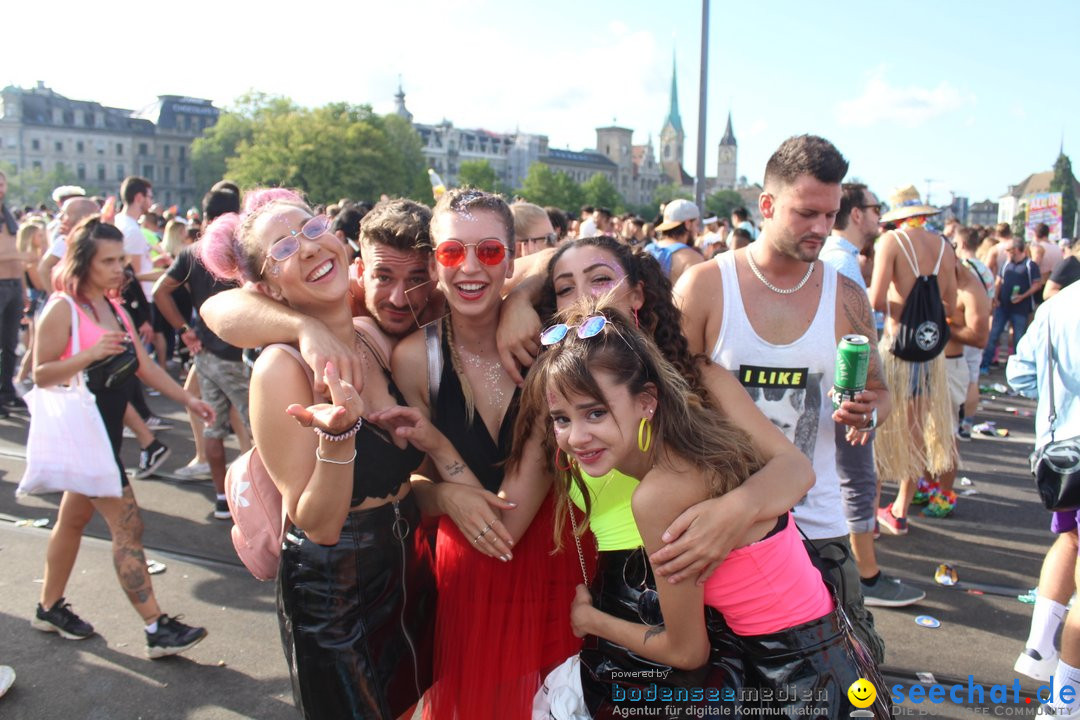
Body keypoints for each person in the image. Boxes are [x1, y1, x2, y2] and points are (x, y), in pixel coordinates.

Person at [521, 299, 888, 719]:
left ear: (646, 401)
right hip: (828, 660)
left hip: (794, 681)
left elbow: (686, 651)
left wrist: (590, 620)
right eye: (561, 419)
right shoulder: (695, 445)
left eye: (595, 413)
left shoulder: (658, 494)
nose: (577, 436)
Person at [200, 188, 436, 719]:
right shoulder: (280, 369)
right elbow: (318, 524)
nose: (306, 248)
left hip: (406, 571)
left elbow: (409, 465)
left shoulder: (372, 335)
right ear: (265, 288)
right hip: (335, 594)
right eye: (282, 249)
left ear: (338, 238)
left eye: (309, 229)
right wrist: (339, 438)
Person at [673, 134, 891, 663]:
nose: (820, 227)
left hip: (817, 522)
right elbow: (667, 398)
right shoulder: (706, 286)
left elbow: (879, 390)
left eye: (831, 215)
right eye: (806, 213)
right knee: (728, 678)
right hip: (722, 520)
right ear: (767, 205)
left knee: (844, 672)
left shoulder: (845, 296)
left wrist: (869, 411)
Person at [389, 188, 582, 719]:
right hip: (468, 577)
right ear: (434, 262)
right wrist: (447, 494)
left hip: (555, 563)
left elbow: (510, 522)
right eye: (452, 252)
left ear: (512, 258)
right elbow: (411, 486)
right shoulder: (414, 359)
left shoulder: (552, 342)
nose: (470, 267)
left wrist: (521, 299)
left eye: (490, 252)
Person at [31, 216, 212, 658]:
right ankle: (155, 628)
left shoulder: (111, 306)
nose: (119, 269)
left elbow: (145, 367)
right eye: (107, 261)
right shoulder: (62, 308)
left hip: (104, 433)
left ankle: (49, 606)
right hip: (86, 437)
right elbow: (40, 372)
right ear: (83, 262)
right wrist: (89, 354)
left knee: (72, 521)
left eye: (120, 260)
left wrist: (188, 401)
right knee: (128, 525)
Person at [820, 183, 924, 607]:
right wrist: (858, 396)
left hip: (840, 387)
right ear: (857, 214)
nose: (880, 216)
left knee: (849, 479)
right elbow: (847, 341)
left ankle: (854, 572)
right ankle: (864, 576)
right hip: (845, 389)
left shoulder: (839, 259)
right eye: (875, 208)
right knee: (858, 479)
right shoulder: (841, 262)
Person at [1007, 281, 1080, 717]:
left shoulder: (1058, 303)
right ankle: (1065, 702)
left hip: (1063, 456)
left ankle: (1038, 648)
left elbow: (1019, 375)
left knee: (1070, 540)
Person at [868, 185, 957, 535]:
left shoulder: (890, 242)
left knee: (880, 427)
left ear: (897, 216)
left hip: (897, 347)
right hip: (930, 352)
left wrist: (899, 300)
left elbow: (876, 298)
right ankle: (900, 509)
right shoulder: (943, 246)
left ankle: (870, 511)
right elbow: (948, 299)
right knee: (918, 428)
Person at [981, 236, 1040, 373]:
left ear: (1016, 250)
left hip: (1021, 308)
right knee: (993, 335)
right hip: (1003, 306)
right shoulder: (1006, 264)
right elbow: (999, 281)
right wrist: (995, 297)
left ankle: (1018, 368)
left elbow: (1037, 285)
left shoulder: (1030, 265)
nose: (1006, 253)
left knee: (1019, 338)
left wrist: (1022, 296)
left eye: (1008, 250)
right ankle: (985, 363)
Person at [643, 199, 703, 282]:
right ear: (688, 224)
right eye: (697, 225)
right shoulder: (692, 258)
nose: (698, 230)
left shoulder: (647, 250)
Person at [1030, 222, 1064, 304]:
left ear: (1035, 234)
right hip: (1055, 284)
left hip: (1041, 285)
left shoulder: (1037, 248)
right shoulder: (1057, 248)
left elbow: (1034, 266)